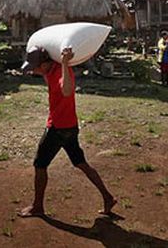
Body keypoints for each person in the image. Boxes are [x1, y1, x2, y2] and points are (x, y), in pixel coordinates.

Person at [19, 45, 116, 218]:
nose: (33, 70)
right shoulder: (51, 70)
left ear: (44, 64)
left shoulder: (61, 72)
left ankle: (37, 207)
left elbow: (67, 90)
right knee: (81, 163)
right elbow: (46, 74)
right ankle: (108, 197)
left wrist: (64, 63)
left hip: (57, 128)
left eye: (35, 67)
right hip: (70, 127)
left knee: (39, 165)